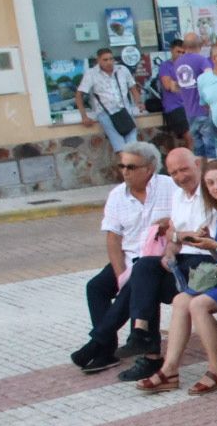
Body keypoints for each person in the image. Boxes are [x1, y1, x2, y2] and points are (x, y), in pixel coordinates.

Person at [134, 160, 217, 395]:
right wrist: (209, 246)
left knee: (198, 305)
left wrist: (215, 244)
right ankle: (170, 369)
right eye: (210, 183)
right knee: (180, 301)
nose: (216, 187)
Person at [70, 142, 175, 374]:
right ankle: (106, 350)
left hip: (158, 260)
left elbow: (188, 215)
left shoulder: (169, 187)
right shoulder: (117, 195)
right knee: (96, 287)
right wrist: (119, 275)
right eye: (121, 166)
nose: (124, 171)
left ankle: (100, 344)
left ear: (149, 169)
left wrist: (169, 222)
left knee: (143, 280)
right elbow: (113, 239)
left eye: (131, 166)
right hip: (129, 259)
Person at [117, 147, 213, 383]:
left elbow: (204, 239)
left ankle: (148, 353)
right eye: (174, 173)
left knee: (143, 285)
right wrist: (170, 251)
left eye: (184, 170)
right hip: (184, 262)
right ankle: (140, 335)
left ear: (198, 164)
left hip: (208, 264)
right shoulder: (179, 196)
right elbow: (174, 237)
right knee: (144, 269)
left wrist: (179, 238)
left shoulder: (210, 191)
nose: (180, 177)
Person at [76, 47, 140, 152]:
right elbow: (79, 95)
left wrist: (139, 102)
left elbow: (133, 87)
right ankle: (125, 167)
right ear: (98, 60)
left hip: (125, 112)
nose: (109, 62)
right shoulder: (91, 74)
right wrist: (84, 116)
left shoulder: (122, 70)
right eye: (105, 60)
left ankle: (131, 167)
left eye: (111, 59)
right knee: (120, 149)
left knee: (133, 148)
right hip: (106, 114)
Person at [161, 32, 214, 157]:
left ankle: (200, 172)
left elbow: (174, 86)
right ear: (200, 45)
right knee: (210, 147)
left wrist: (187, 90)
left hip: (189, 111)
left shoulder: (178, 63)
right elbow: (210, 80)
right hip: (204, 109)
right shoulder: (201, 60)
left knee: (197, 148)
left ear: (184, 46)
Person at [152, 38, 192, 150]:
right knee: (190, 136)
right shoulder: (165, 66)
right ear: (172, 51)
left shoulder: (189, 66)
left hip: (190, 106)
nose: (181, 55)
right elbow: (168, 86)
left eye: (183, 52)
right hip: (174, 107)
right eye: (178, 52)